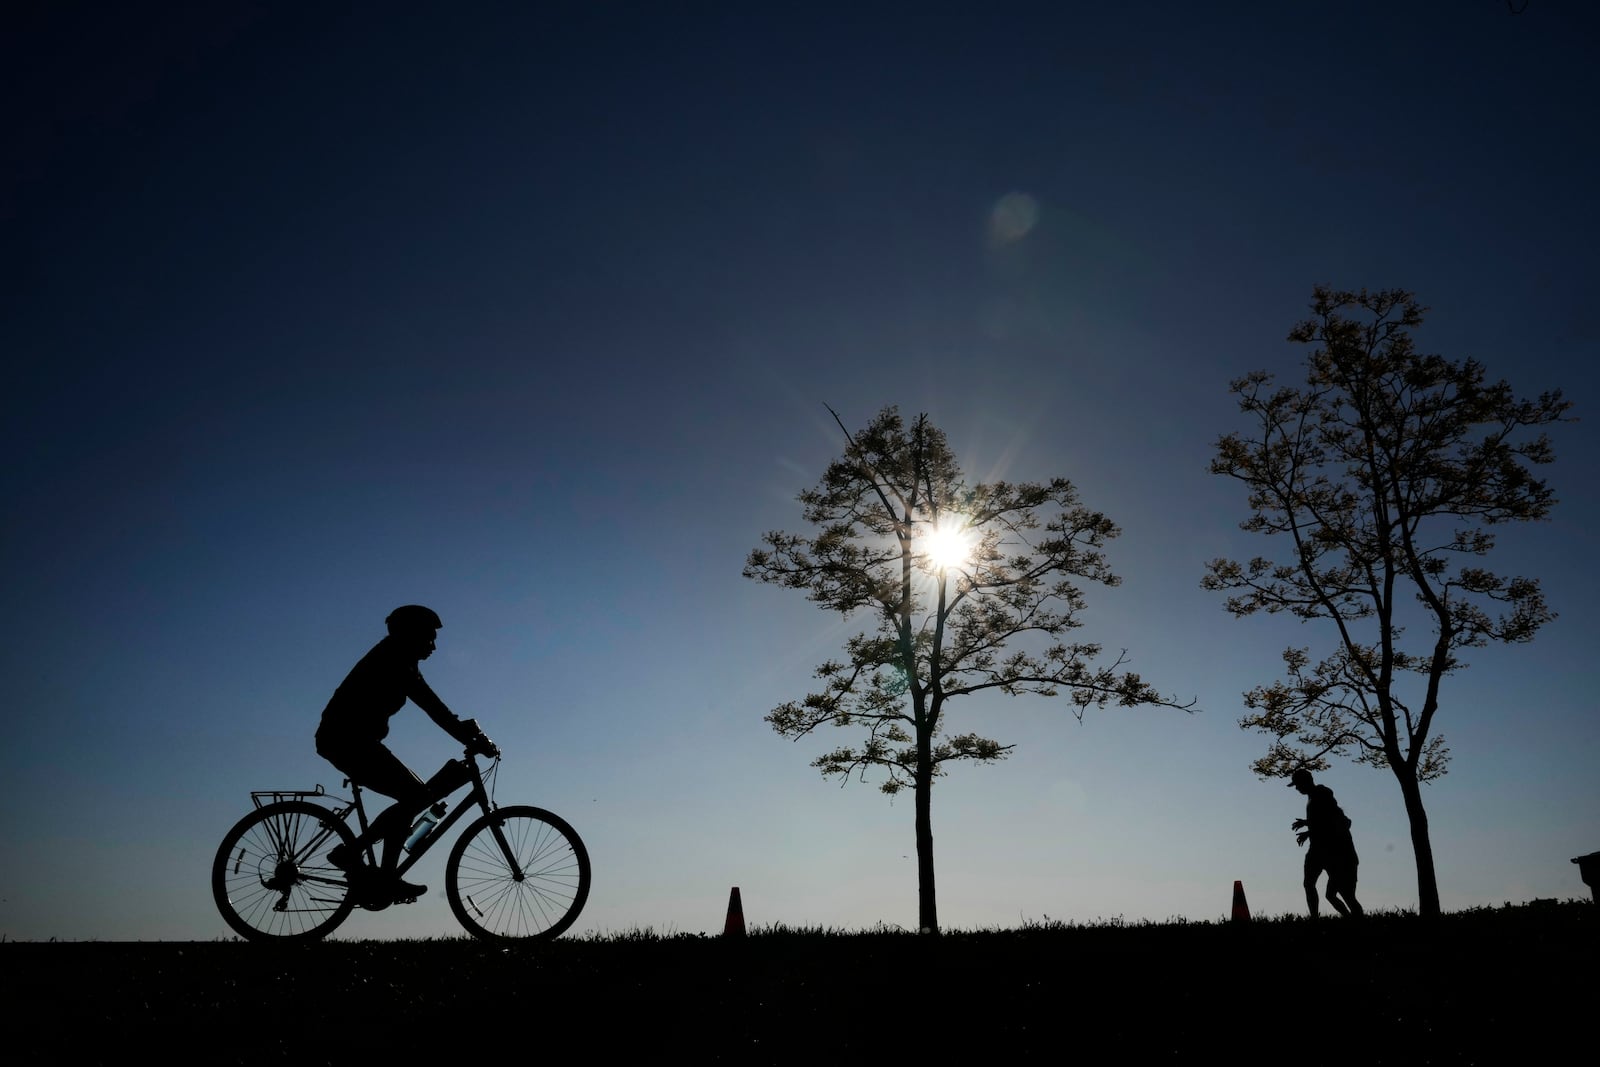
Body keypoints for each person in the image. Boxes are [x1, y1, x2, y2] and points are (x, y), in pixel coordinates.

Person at [315, 605, 498, 903]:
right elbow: (434, 709)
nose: (434, 645)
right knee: (414, 796)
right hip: (346, 740)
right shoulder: (395, 660)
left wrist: (469, 733)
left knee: (416, 795)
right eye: (429, 637)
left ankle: (372, 867)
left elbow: (438, 708)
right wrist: (469, 738)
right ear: (411, 635)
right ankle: (367, 865)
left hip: (356, 740)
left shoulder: (402, 660)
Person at [1289, 768, 1363, 918]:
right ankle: (1316, 918)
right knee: (1310, 884)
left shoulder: (1321, 795)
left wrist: (1308, 830)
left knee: (1342, 894)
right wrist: (1307, 825)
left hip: (1332, 851)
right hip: (1317, 849)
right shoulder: (1312, 797)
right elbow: (1321, 821)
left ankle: (1356, 920)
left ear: (1306, 781)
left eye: (1297, 784)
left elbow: (1329, 822)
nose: (1296, 788)